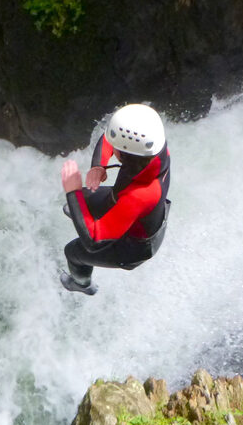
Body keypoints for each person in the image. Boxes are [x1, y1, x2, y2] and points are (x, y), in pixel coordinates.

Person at [60, 103, 171, 295]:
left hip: (133, 247)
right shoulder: (154, 149)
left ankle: (81, 284)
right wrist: (98, 166)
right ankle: (88, 218)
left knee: (73, 251)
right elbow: (109, 140)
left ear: (123, 155)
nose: (112, 148)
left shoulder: (140, 194)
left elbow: (94, 242)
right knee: (74, 206)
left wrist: (73, 191)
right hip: (125, 204)